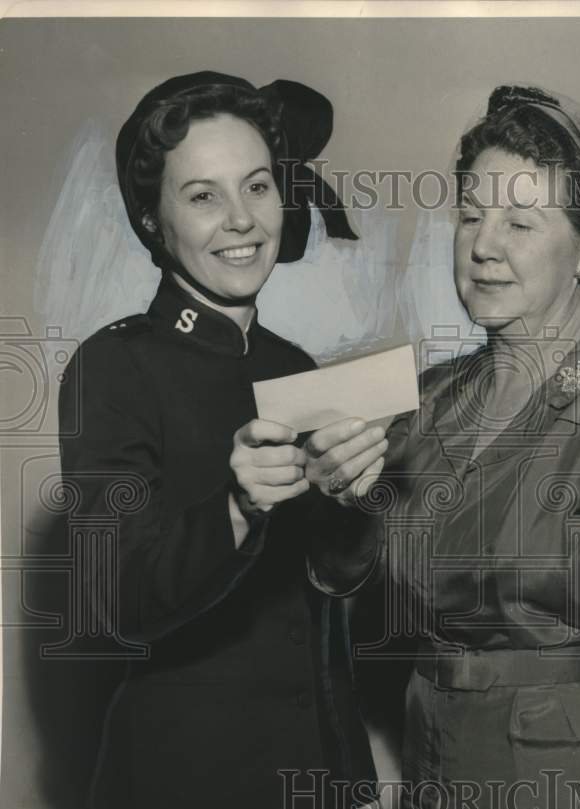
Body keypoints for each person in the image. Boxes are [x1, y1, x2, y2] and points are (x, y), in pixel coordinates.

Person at [306, 85, 580, 809]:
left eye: (520, 222)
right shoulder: (429, 398)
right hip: (429, 763)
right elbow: (345, 587)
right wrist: (336, 499)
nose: (483, 245)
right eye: (469, 216)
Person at [58, 71, 376, 809]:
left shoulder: (294, 366)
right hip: (181, 778)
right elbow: (117, 604)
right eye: (204, 196)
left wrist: (354, 502)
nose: (242, 219)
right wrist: (236, 507)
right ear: (152, 221)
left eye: (258, 187)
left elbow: (328, 590)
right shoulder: (114, 366)